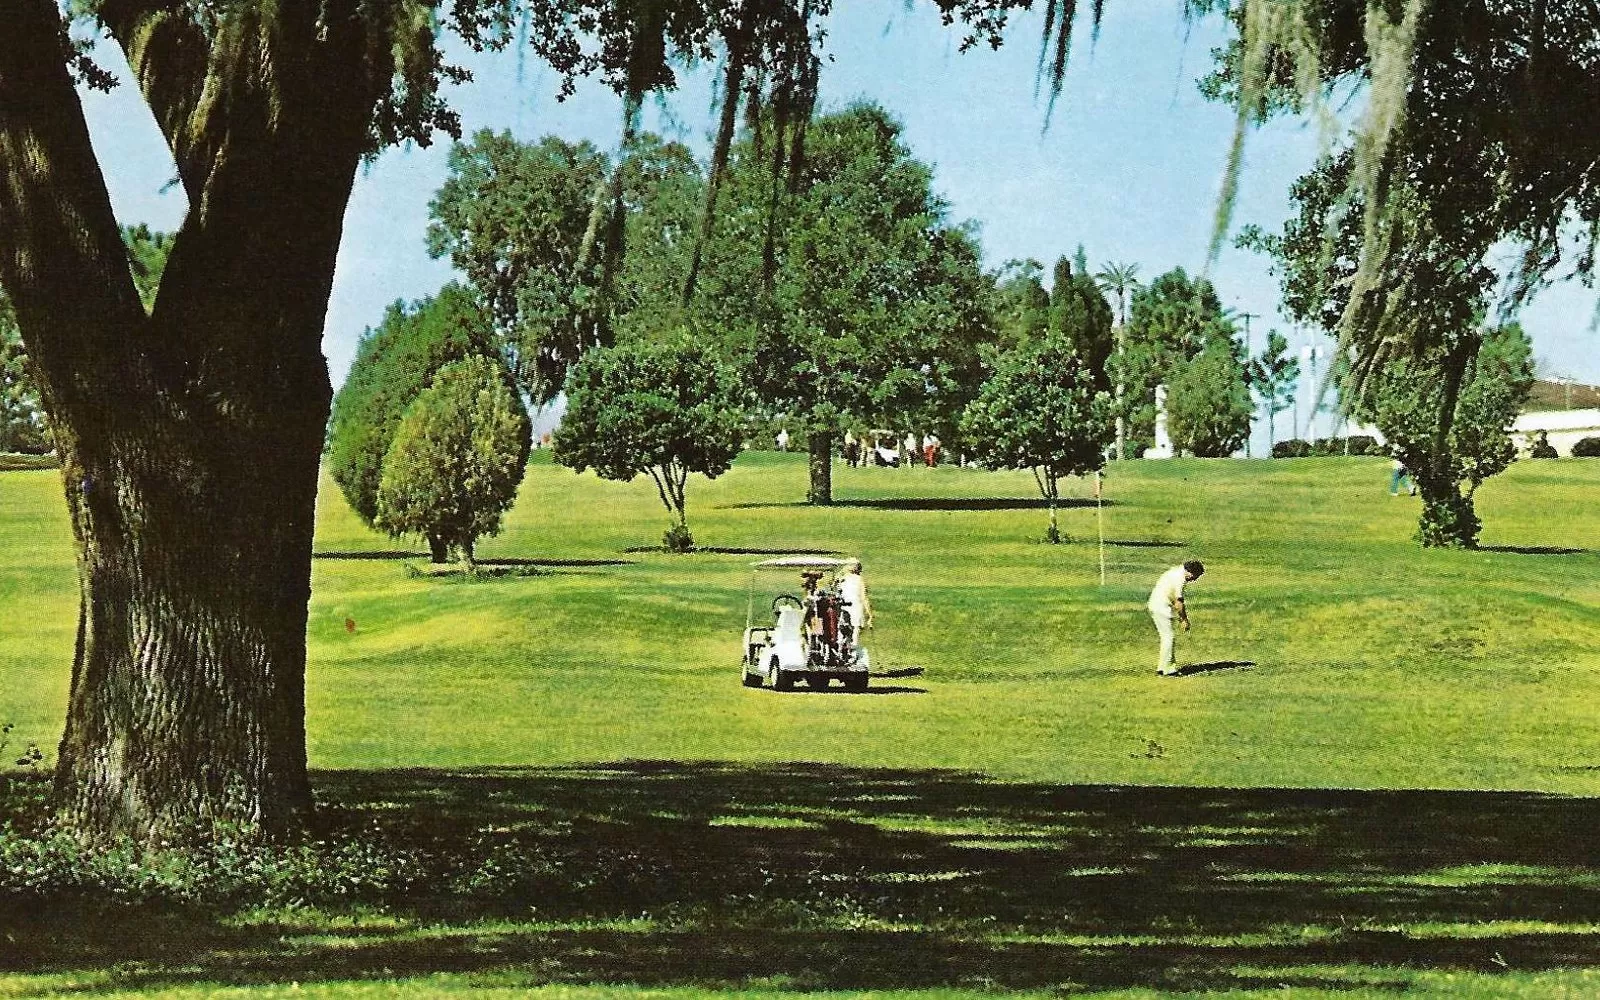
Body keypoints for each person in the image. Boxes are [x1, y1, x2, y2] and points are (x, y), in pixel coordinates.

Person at [1148, 559, 1204, 677]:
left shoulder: (1176, 571)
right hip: (1161, 607)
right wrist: (1184, 620)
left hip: (1156, 604)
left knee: (1166, 637)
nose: (1194, 580)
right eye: (1195, 576)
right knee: (1169, 637)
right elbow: (1178, 603)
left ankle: (1162, 667)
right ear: (1190, 572)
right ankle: (1169, 669)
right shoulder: (1180, 578)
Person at [837, 559, 872, 642]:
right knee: (855, 634)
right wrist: (870, 614)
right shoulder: (859, 580)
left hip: (842, 609)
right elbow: (864, 598)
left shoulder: (841, 579)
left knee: (841, 633)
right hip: (856, 609)